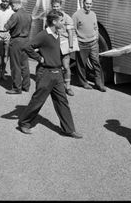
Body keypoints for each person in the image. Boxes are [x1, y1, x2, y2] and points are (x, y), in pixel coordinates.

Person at [17, 10, 83, 138]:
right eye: (61, 20)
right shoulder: (44, 35)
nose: (63, 22)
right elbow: (28, 47)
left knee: (62, 101)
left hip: (57, 73)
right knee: (38, 100)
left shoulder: (57, 34)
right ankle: (24, 123)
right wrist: (39, 58)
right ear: (54, 22)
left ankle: (69, 129)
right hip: (46, 72)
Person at [72, 0, 106, 92]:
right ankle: (83, 82)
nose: (88, 6)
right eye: (87, 3)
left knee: (96, 63)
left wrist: (96, 36)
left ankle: (99, 83)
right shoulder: (76, 15)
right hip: (82, 44)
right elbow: (72, 29)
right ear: (83, 3)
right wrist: (76, 42)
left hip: (93, 43)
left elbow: (96, 27)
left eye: (90, 4)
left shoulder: (93, 14)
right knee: (81, 64)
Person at [51, 0, 79, 96]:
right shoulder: (50, 17)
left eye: (57, 6)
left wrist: (71, 46)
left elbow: (70, 33)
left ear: (61, 6)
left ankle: (68, 86)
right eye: (54, 6)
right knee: (54, 66)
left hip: (64, 45)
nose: (56, 8)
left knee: (66, 67)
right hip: (53, 45)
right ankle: (55, 85)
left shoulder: (66, 18)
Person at [4, 0, 32, 94]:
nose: (12, 8)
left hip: (16, 41)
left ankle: (17, 87)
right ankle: (26, 85)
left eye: (12, 6)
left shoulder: (15, 15)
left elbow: (6, 27)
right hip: (26, 40)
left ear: (15, 5)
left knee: (15, 65)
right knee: (25, 65)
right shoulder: (28, 15)